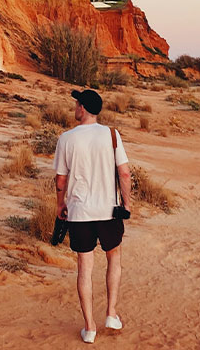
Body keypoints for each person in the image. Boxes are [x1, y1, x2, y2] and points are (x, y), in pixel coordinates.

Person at [53, 89, 133, 344]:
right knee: (114, 259)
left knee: (84, 268)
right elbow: (125, 173)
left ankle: (89, 329)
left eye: (76, 104)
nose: (75, 107)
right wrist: (127, 203)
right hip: (109, 211)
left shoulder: (66, 138)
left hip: (79, 212)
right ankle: (111, 313)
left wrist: (60, 204)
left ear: (83, 108)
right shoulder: (111, 134)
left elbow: (60, 179)